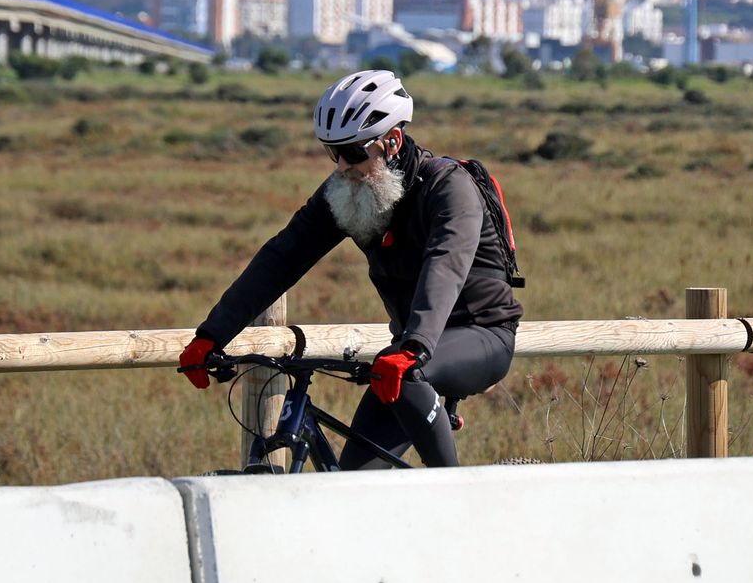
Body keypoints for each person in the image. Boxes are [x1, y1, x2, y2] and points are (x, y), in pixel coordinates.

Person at [179, 69, 522, 469]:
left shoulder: (449, 187)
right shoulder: (350, 189)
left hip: (479, 336)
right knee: (353, 483)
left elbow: (445, 266)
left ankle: (456, 494)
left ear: (392, 142)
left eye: (354, 152)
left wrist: (414, 347)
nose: (342, 165)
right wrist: (211, 334)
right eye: (333, 152)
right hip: (404, 353)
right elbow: (282, 257)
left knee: (409, 378)